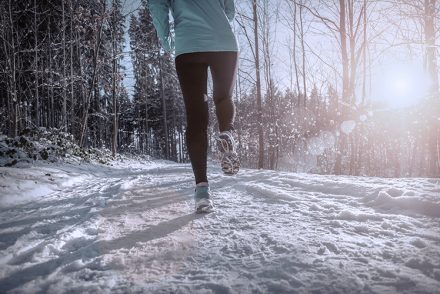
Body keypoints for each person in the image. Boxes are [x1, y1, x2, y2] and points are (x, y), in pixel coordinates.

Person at [149, 0, 240, 213]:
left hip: (188, 45)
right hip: (223, 41)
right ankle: (226, 131)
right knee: (223, 97)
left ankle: (202, 192)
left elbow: (156, 6)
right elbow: (230, 10)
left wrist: (166, 40)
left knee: (197, 114)